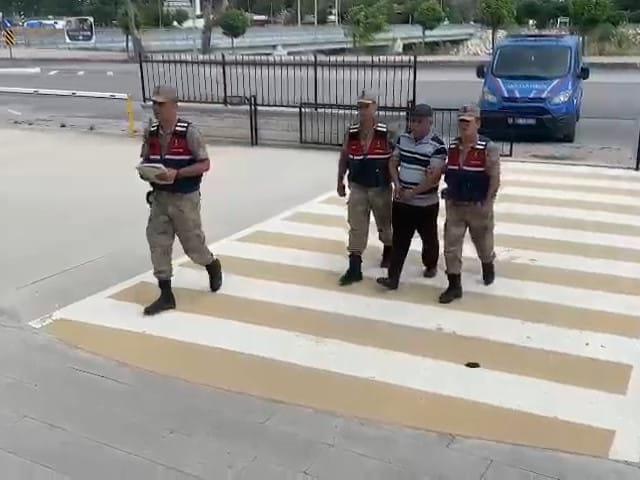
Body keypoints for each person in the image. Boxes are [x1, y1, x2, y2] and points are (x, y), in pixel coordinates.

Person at [138, 85, 222, 315]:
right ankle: (166, 294)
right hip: (160, 198)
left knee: (193, 245)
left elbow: (204, 164)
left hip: (185, 199)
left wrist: (178, 173)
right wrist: (146, 172)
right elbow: (146, 158)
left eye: (161, 104)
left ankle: (211, 264)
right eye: (154, 103)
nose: (156, 108)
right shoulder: (151, 132)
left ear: (174, 106)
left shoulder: (189, 133)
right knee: (158, 242)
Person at [376, 103, 446, 290]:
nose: (414, 125)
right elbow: (393, 162)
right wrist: (397, 184)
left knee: (428, 239)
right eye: (412, 121)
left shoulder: (437, 146)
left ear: (429, 122)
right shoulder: (403, 139)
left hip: (425, 204)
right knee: (400, 240)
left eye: (419, 121)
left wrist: (412, 193)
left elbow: (433, 178)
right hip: (402, 201)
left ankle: (430, 264)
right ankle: (393, 278)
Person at [438, 104, 501, 304]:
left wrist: (488, 202)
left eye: (468, 122)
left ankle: (487, 264)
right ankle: (454, 285)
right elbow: (450, 169)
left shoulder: (487, 148)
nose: (463, 125)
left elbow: (494, 177)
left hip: (477, 205)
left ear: (478, 123)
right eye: (461, 122)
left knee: (483, 243)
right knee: (451, 246)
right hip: (455, 204)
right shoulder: (453, 147)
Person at [336, 89, 394, 286]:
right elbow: (344, 157)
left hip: (381, 187)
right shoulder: (352, 132)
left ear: (375, 107)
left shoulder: (386, 133)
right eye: (360, 106)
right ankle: (354, 267)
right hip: (358, 186)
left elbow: (396, 159)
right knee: (356, 226)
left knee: (385, 224)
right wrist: (340, 180)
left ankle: (388, 249)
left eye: (366, 106)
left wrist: (399, 183)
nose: (362, 111)